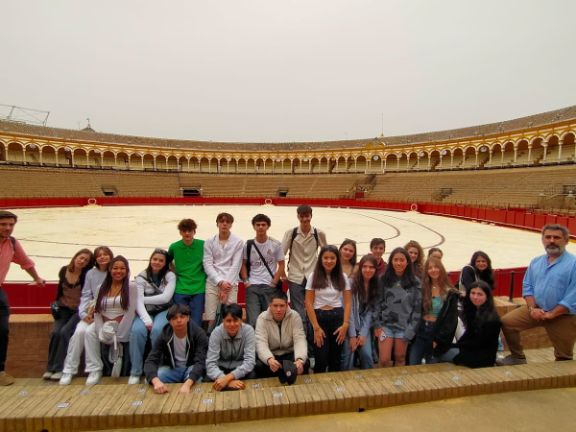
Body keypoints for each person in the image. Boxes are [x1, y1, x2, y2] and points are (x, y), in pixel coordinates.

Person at [498, 224, 576, 365]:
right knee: (507, 323)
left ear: (566, 240)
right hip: (537, 309)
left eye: (556, 237)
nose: (551, 240)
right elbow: (527, 286)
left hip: (563, 316)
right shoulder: (536, 261)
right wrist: (532, 309)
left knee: (564, 357)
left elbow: (573, 296)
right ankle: (517, 357)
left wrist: (551, 314)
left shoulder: (574, 263)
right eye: (548, 237)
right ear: (542, 240)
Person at [0, 210, 45, 386]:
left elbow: (25, 262)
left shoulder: (11, 243)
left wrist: (36, 278)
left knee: (2, 331)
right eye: (3, 224)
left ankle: (0, 372)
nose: (8, 228)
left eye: (11, 224)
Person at [59, 246, 113, 385]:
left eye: (105, 254)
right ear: (96, 259)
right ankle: (69, 369)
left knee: (90, 332)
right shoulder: (91, 273)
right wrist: (83, 314)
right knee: (79, 332)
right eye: (99, 255)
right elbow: (86, 295)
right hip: (90, 312)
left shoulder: (115, 271)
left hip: (106, 314)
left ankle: (95, 369)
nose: (102, 257)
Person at [83, 256, 138, 385]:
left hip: (123, 324)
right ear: (110, 269)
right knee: (89, 332)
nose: (118, 271)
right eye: (115, 268)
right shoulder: (101, 288)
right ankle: (94, 369)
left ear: (127, 270)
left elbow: (130, 312)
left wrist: (120, 334)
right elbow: (97, 311)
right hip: (103, 323)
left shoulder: (131, 287)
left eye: (122, 268)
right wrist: (100, 330)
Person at [44, 248, 94, 380]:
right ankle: (50, 368)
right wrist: (54, 307)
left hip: (77, 311)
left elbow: (88, 295)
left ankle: (59, 368)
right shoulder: (63, 270)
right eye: (80, 257)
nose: (82, 261)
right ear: (75, 256)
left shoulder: (86, 275)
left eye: (86, 260)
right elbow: (59, 291)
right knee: (55, 333)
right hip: (62, 308)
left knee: (65, 332)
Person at [128, 248, 176, 384]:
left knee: (158, 330)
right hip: (145, 311)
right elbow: (138, 302)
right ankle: (135, 372)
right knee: (137, 331)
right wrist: (146, 319)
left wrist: (143, 299)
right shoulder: (142, 276)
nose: (157, 262)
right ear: (150, 260)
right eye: (155, 259)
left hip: (163, 310)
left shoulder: (170, 276)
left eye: (161, 260)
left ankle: (156, 370)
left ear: (166, 263)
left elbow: (166, 298)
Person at [304, 245, 351, 373]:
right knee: (321, 359)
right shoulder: (313, 276)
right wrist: (316, 327)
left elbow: (347, 302)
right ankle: (319, 390)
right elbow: (308, 302)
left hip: (337, 319)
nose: (329, 261)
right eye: (325, 258)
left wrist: (345, 324)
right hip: (319, 319)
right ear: (321, 259)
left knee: (335, 359)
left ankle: (334, 389)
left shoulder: (343, 277)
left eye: (332, 258)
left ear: (337, 259)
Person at [373, 247, 421, 367]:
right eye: (395, 260)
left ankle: (398, 383)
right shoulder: (383, 279)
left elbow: (417, 309)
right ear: (391, 261)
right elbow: (376, 303)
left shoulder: (415, 282)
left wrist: (411, 329)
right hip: (386, 326)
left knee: (400, 358)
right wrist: (377, 325)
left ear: (407, 262)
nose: (398, 263)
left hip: (404, 327)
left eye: (402, 260)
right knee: (384, 359)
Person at [144, 304, 208, 394]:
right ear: (170, 321)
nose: (179, 320)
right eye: (174, 318)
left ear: (188, 318)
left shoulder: (198, 334)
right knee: (150, 380)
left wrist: (187, 384)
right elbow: (150, 361)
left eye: (182, 317)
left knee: (196, 381)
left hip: (191, 368)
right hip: (173, 369)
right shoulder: (164, 334)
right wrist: (156, 382)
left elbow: (200, 362)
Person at [408, 257, 459, 365]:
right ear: (426, 271)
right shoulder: (422, 288)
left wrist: (438, 340)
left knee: (431, 364)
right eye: (430, 268)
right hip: (421, 331)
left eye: (436, 267)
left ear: (441, 269)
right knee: (412, 363)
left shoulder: (450, 292)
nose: (433, 270)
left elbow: (451, 321)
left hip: (436, 332)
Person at [282, 204, 327, 323]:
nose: (304, 219)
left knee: (314, 308)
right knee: (298, 311)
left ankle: (312, 335)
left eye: (307, 216)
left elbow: (326, 254)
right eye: (302, 216)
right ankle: (302, 337)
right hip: (295, 276)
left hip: (313, 276)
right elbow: (281, 254)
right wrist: (282, 273)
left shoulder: (319, 233)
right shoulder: (290, 233)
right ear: (298, 217)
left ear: (311, 216)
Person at [240, 214, 285, 328]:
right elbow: (243, 264)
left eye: (263, 225)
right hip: (252, 286)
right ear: (254, 226)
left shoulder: (276, 244)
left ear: (268, 226)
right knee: (253, 320)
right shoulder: (248, 245)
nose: (260, 227)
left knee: (270, 320)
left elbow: (281, 265)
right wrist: (246, 281)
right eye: (258, 225)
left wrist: (274, 282)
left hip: (269, 286)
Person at [255, 291, 308, 381]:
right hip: (272, 355)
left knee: (305, 363)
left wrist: (299, 359)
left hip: (290, 354)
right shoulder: (262, 318)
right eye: (275, 306)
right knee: (258, 365)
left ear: (287, 305)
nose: (278, 309)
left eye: (282, 306)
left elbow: (300, 340)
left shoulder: (295, 316)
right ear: (270, 306)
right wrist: (269, 359)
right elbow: (260, 343)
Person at [203, 213, 244, 328]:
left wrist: (225, 288)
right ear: (217, 224)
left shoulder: (238, 242)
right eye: (222, 221)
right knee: (211, 317)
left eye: (227, 222)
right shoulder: (209, 241)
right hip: (213, 282)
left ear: (231, 224)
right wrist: (220, 282)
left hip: (230, 284)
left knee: (231, 316)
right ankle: (211, 338)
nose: (224, 224)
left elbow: (236, 265)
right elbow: (207, 264)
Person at [450, 280, 501, 368]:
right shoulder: (473, 310)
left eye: (480, 294)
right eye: (473, 293)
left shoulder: (492, 319)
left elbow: (479, 342)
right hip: (474, 350)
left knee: (444, 354)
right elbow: (469, 334)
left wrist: (455, 346)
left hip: (483, 357)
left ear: (487, 296)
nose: (475, 297)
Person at [206, 303, 256, 391]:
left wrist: (228, 378)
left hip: (240, 370)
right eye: (228, 321)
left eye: (236, 320)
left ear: (241, 320)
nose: (232, 324)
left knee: (253, 374)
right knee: (207, 378)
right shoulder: (216, 333)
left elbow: (250, 362)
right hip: (220, 369)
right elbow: (210, 364)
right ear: (223, 321)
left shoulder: (248, 331)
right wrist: (226, 380)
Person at [342, 254, 379, 370]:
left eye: (371, 267)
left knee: (367, 355)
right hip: (349, 323)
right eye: (365, 266)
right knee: (348, 354)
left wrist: (363, 333)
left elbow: (370, 313)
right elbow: (350, 311)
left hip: (363, 325)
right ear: (360, 267)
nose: (368, 270)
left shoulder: (376, 285)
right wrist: (353, 335)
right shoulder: (351, 283)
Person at [169, 219, 207, 326]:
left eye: (189, 230)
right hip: (180, 288)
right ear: (180, 232)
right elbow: (168, 261)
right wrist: (174, 271)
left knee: (196, 321)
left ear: (194, 232)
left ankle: (193, 342)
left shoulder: (203, 245)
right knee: (180, 321)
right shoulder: (174, 247)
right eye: (184, 231)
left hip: (199, 288)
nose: (187, 233)